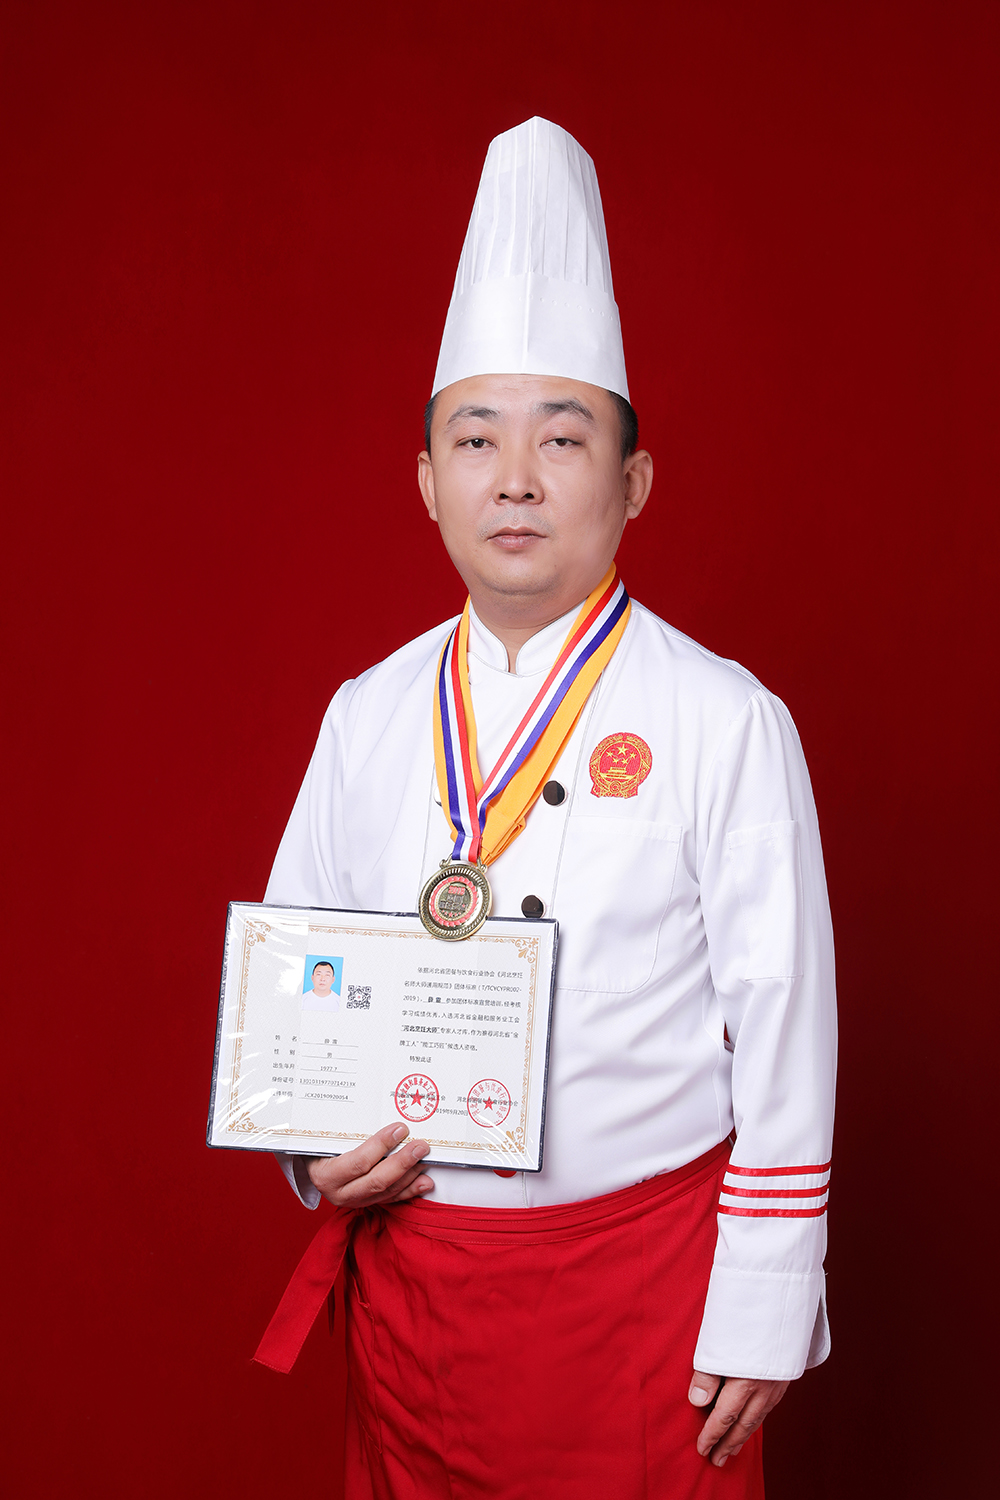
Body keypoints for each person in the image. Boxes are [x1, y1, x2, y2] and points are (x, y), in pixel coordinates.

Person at [253, 118, 836, 1499]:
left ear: (631, 483)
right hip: (419, 1297)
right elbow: (292, 985)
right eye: (477, 439)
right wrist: (309, 1149)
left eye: (561, 439)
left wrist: (765, 1300)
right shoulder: (366, 713)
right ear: (427, 483)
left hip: (646, 1297)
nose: (515, 478)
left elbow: (787, 1025)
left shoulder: (724, 717)